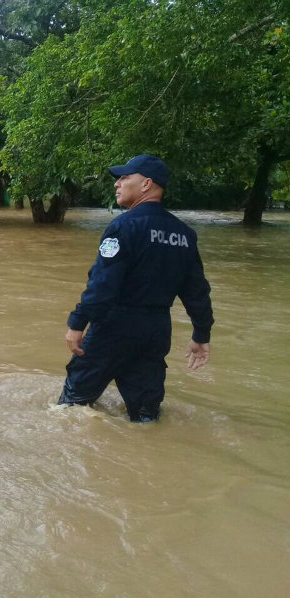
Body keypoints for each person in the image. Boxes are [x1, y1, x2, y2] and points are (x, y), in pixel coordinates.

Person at [58, 154, 213, 422]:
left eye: (125, 177)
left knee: (71, 407)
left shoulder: (123, 226)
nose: (117, 184)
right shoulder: (184, 235)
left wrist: (77, 322)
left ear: (146, 184)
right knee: (145, 415)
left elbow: (103, 286)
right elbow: (197, 292)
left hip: (114, 326)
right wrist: (201, 335)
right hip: (156, 330)